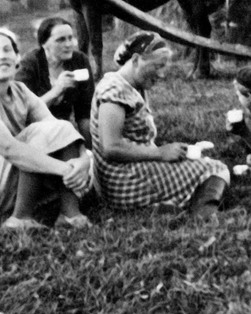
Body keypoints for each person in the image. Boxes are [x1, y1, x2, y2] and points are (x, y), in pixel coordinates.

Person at [0, 27, 92, 230]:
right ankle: (20, 219)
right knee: (35, 135)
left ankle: (70, 215)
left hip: (4, 178)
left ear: (17, 58)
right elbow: (8, 148)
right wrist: (66, 170)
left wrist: (83, 160)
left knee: (58, 126)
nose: (2, 56)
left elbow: (60, 129)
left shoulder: (19, 90)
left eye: (7, 50)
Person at [91, 31, 230, 221]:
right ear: (136, 59)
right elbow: (110, 147)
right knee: (215, 168)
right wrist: (160, 153)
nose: (162, 74)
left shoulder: (130, 85)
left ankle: (168, 206)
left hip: (128, 171)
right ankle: (203, 214)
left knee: (201, 162)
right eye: (158, 66)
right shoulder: (114, 90)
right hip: (122, 180)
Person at [14, 17, 95, 148]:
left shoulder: (79, 61)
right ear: (44, 43)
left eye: (70, 38)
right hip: (30, 134)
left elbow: (85, 113)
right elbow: (23, 114)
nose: (69, 44)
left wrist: (90, 149)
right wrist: (56, 91)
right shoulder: (30, 65)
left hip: (63, 131)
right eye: (61, 40)